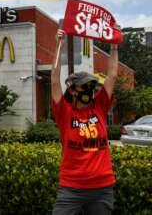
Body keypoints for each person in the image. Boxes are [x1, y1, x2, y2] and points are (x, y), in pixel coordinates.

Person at [51, 29, 119, 215]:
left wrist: (114, 45)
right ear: (73, 90)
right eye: (87, 86)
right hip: (71, 188)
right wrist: (59, 45)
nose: (92, 90)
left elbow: (112, 76)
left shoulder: (99, 106)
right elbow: (55, 81)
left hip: (102, 188)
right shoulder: (64, 112)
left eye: (93, 86)